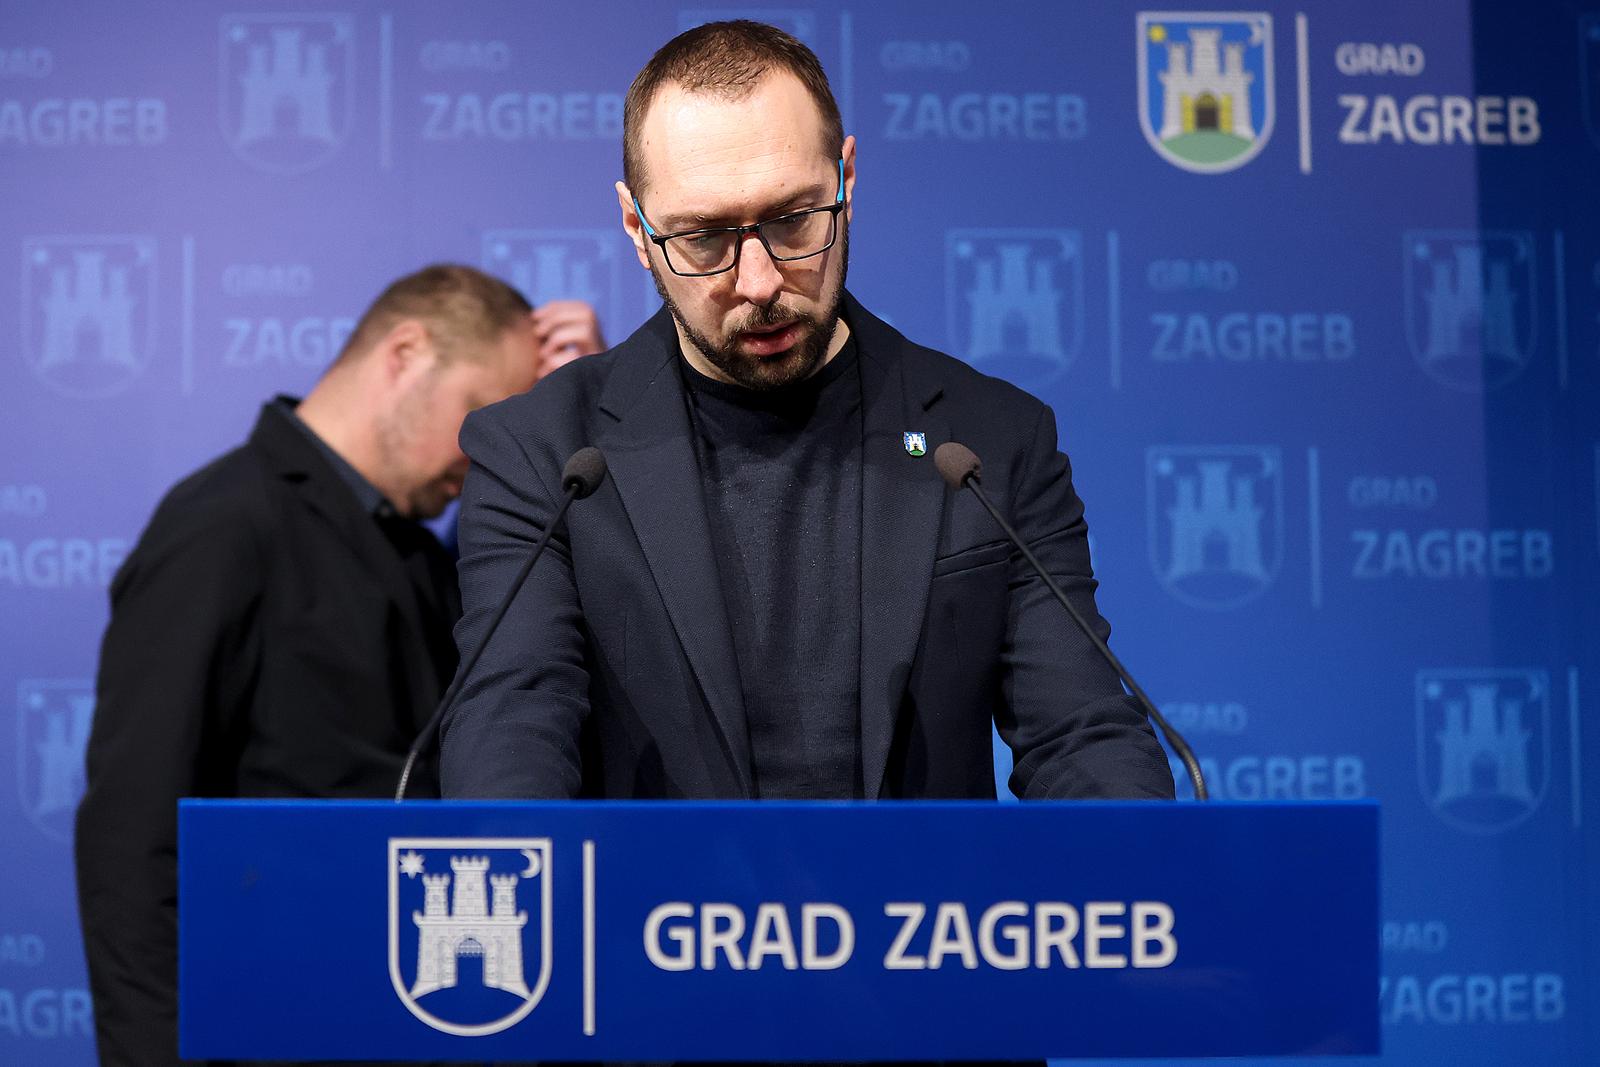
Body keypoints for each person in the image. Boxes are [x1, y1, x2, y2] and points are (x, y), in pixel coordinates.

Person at [440, 21, 1175, 804]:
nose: (757, 281)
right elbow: (510, 730)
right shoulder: (544, 455)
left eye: (793, 220)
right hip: (651, 923)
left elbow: (1081, 734)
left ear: (846, 178)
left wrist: (1146, 880)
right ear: (637, 229)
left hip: (920, 923)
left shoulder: (990, 440)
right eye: (704, 237)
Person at [74, 264, 605, 1066]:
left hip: (412, 1022)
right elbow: (131, 837)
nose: (489, 450)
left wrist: (580, 419)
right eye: (481, 416)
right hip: (267, 1028)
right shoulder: (223, 525)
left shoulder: (427, 555)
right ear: (405, 352)